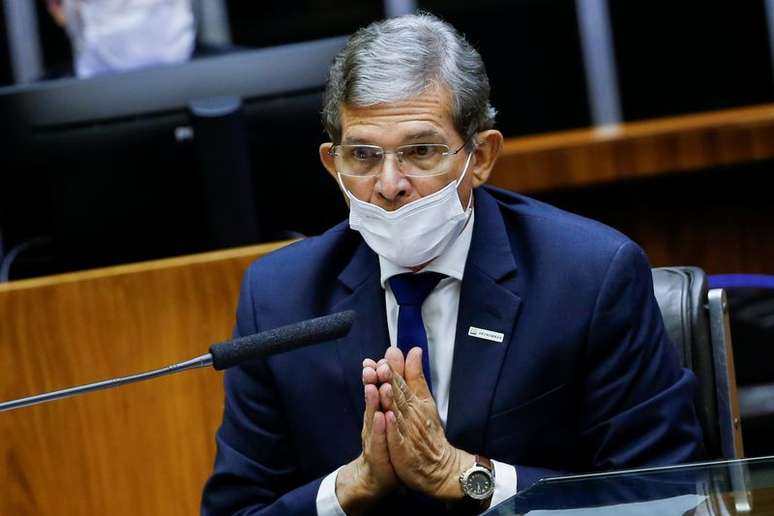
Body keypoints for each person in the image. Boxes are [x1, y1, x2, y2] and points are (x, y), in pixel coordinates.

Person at [201, 13, 704, 515]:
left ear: (481, 156)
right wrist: (349, 487)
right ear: (333, 163)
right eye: (363, 155)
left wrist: (462, 475)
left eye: (420, 151)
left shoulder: (589, 276)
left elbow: (665, 496)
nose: (390, 183)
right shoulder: (280, 298)